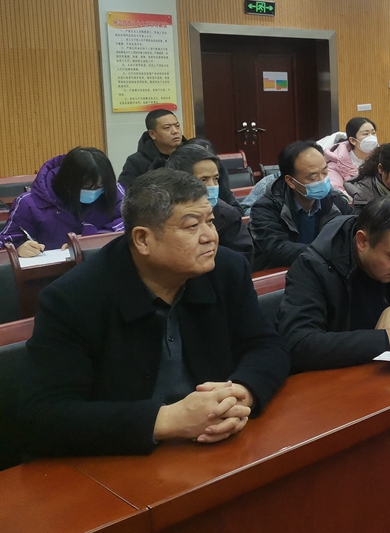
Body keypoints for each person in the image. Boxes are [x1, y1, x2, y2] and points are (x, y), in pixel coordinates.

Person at [19, 168, 290, 458]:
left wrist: (242, 392)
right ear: (143, 239)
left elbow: (266, 345)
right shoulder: (72, 299)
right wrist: (166, 421)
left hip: (219, 446)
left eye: (210, 221)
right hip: (119, 460)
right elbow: (46, 414)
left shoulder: (227, 270)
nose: (210, 237)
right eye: (192, 226)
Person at [276, 195, 390, 372]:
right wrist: (385, 340)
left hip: (385, 373)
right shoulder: (313, 267)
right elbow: (299, 343)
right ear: (362, 241)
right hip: (335, 379)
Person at [249, 141, 352, 271]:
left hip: (325, 270)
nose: (322, 180)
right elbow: (278, 249)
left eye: (325, 172)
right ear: (291, 181)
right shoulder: (266, 208)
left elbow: (353, 227)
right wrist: (328, 251)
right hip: (284, 273)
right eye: (313, 177)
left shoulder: (334, 198)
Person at [0, 147, 123, 254]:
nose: (94, 191)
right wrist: (17, 249)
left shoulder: (113, 191)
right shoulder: (28, 203)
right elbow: (4, 242)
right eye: (87, 187)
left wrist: (93, 239)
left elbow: (129, 223)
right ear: (67, 182)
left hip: (102, 265)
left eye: (100, 186)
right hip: (53, 270)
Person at [166, 144, 254, 265]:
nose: (212, 186)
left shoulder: (228, 215)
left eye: (216, 179)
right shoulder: (162, 213)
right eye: (203, 180)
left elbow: (243, 261)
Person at [118, 109, 186, 188]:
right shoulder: (136, 162)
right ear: (152, 134)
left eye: (177, 126)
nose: (175, 131)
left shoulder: (191, 155)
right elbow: (123, 191)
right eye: (167, 128)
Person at [325, 117, 377, 192]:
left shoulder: (382, 158)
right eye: (365, 134)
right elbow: (338, 192)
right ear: (353, 140)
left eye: (373, 133)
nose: (371, 137)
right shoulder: (336, 164)